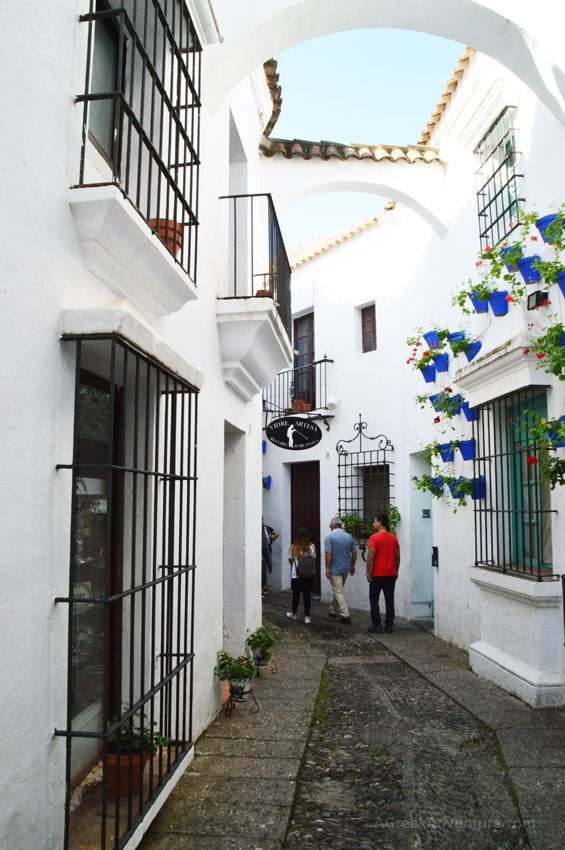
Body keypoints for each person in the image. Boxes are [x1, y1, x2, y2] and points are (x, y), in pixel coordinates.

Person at [366, 513, 400, 634]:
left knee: (374, 599)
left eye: (375, 521)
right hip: (391, 574)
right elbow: (397, 557)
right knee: (389, 599)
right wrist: (396, 570)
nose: (374, 523)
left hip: (377, 574)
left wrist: (368, 571)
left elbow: (371, 556)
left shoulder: (374, 538)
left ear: (380, 522)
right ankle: (389, 625)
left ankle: (377, 625)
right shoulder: (393, 538)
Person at [324, 516, 356, 624]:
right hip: (346, 567)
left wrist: (327, 568)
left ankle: (345, 614)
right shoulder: (348, 536)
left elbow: (328, 553)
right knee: (338, 590)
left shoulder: (329, 537)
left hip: (335, 568)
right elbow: (354, 552)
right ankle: (332, 610)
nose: (329, 526)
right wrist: (352, 565)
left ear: (334, 525)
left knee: (338, 591)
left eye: (330, 524)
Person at [286, 527, 316, 624]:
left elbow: (290, 561)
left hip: (296, 575)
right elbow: (313, 558)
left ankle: (294, 614)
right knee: (307, 596)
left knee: (296, 595)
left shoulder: (293, 547)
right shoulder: (311, 546)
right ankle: (307, 617)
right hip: (308, 575)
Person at [261, 519, 279, 596]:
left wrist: (271, 540)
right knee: (263, 569)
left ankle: (263, 587)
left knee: (264, 569)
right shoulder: (263, 528)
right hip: (264, 549)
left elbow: (277, 533)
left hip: (266, 549)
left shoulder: (266, 528)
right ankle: (262, 587)